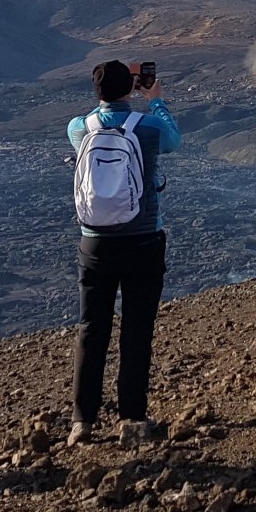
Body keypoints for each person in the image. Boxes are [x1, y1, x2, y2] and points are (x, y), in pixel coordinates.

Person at [64, 60, 181, 445]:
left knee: (91, 326)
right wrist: (155, 99)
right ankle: (131, 415)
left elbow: (88, 121)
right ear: (129, 88)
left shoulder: (79, 128)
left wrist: (119, 90)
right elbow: (173, 139)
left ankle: (83, 419)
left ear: (96, 91)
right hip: (143, 238)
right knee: (137, 328)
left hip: (94, 241)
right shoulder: (147, 128)